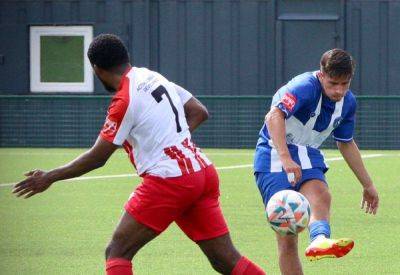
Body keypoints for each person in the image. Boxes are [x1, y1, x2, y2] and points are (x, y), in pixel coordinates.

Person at [13, 34, 265, 275]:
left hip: (170, 180)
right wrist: (172, 140)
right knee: (225, 259)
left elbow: (98, 157)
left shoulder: (124, 100)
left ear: (97, 69)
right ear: (126, 58)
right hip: (201, 173)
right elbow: (199, 111)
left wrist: (49, 177)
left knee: (117, 252)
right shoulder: (153, 76)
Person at [253, 48, 379, 275]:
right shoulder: (304, 87)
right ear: (321, 75)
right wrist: (285, 158)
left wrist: (368, 184)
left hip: (307, 152)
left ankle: (320, 238)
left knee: (321, 193)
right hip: (273, 153)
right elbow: (273, 116)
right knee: (287, 236)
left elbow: (346, 142)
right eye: (333, 84)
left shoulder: (348, 103)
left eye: (345, 84)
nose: (339, 90)